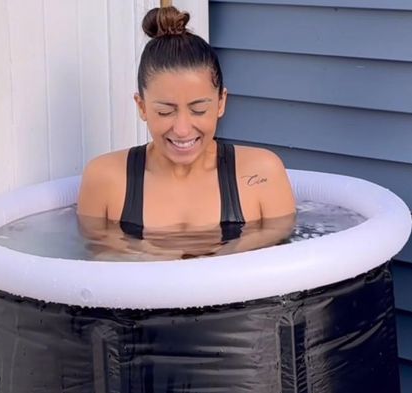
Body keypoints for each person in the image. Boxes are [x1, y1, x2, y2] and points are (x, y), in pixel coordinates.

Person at [77, 6, 295, 259]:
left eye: (199, 110)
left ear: (221, 103)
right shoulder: (105, 180)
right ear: (142, 106)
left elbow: (284, 258)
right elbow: (94, 265)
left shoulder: (262, 174)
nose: (182, 129)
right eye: (165, 112)